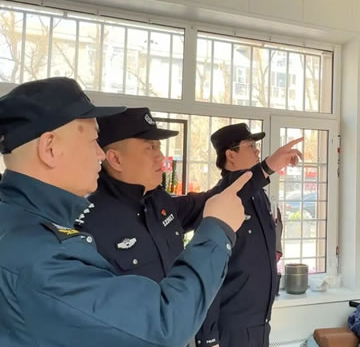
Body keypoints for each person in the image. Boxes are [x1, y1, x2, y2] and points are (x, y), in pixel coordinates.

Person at [0, 77, 251, 346]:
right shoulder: (39, 255)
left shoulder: (23, 222)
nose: (100, 154)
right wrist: (218, 231)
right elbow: (161, 324)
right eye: (94, 141)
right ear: (50, 148)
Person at [77, 108, 302, 345]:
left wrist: (267, 167)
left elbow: (217, 199)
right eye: (150, 148)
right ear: (115, 159)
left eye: (159, 147)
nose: (160, 157)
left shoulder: (160, 203)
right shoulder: (88, 224)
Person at [198, 123, 302, 347]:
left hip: (260, 323)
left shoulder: (260, 197)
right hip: (231, 327)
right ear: (230, 155)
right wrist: (208, 337)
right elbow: (209, 271)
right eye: (251, 146)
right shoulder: (222, 199)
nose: (257, 150)